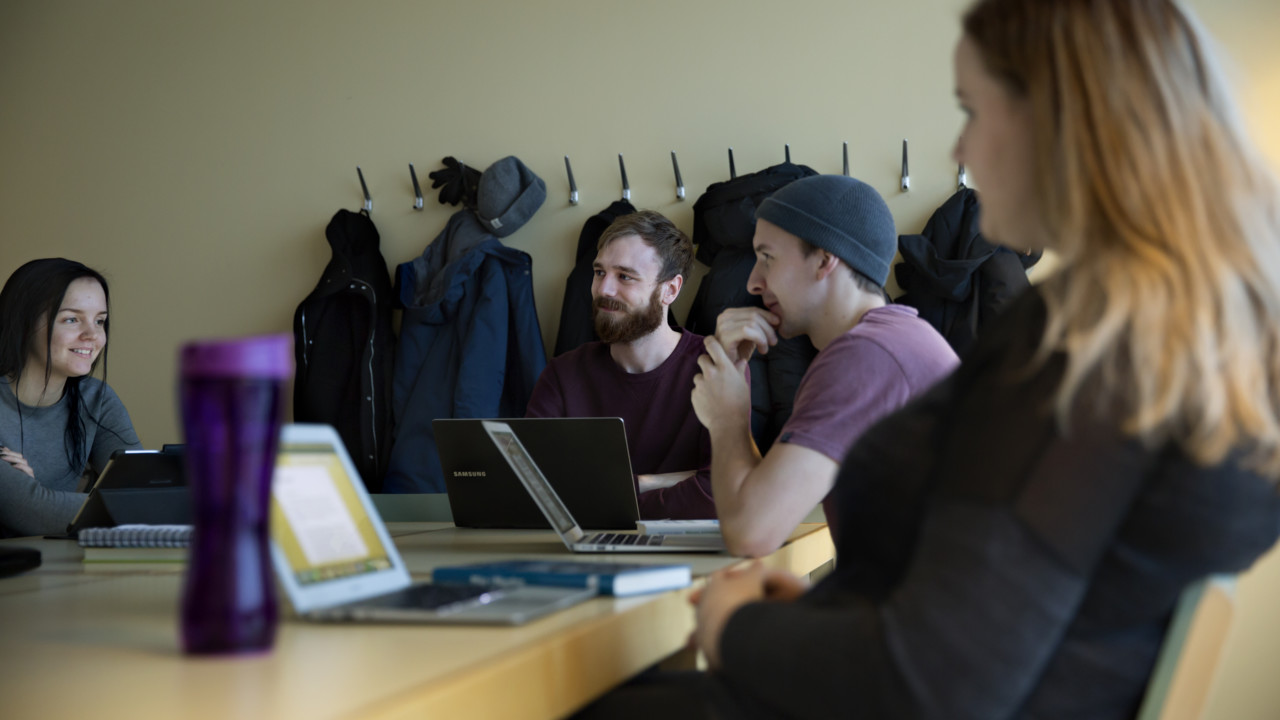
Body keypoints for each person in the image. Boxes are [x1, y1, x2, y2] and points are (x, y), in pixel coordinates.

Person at [576, 0, 1280, 717]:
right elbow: (986, 610)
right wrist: (823, 618)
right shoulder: (1173, 333)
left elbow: (933, 681)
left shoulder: (1092, 345)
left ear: (1062, 121)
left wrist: (736, 630)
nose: (960, 153)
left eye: (973, 112)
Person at [692, 174, 959, 557]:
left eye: (767, 258)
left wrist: (727, 418)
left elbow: (751, 532)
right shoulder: (890, 340)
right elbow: (769, 507)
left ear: (823, 260)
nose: (752, 282)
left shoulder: (866, 356)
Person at [527, 210, 725, 519]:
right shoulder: (562, 374)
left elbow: (720, 493)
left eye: (625, 276)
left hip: (688, 559)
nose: (603, 290)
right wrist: (660, 484)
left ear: (670, 290)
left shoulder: (717, 368)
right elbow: (533, 490)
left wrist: (618, 490)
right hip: (581, 557)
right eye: (599, 272)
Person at [0, 259, 141, 537]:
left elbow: (142, 492)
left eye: (99, 321)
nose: (92, 335)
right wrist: (34, 502)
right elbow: (30, 511)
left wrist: (38, 494)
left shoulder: (96, 399)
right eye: (72, 319)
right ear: (24, 323)